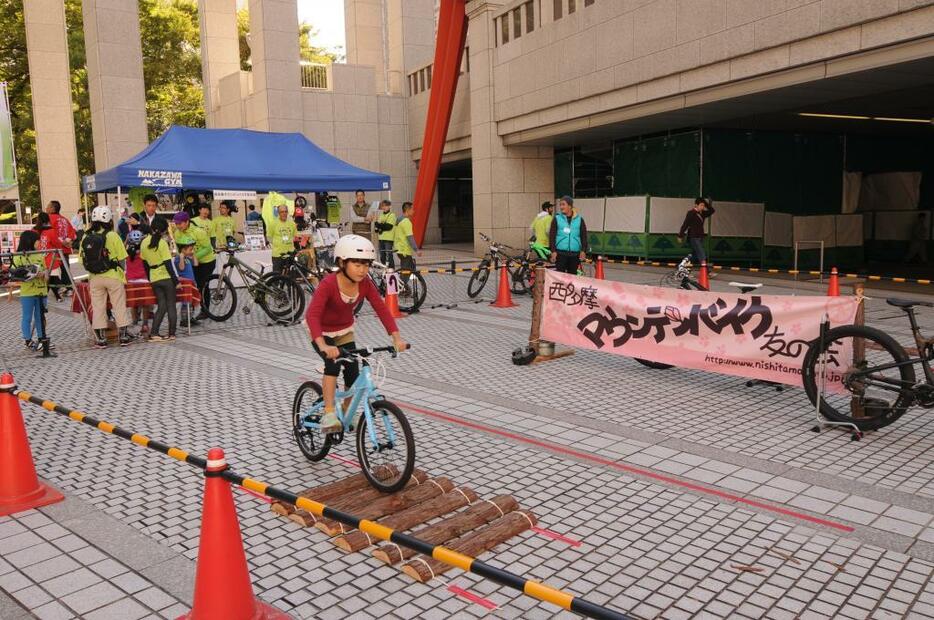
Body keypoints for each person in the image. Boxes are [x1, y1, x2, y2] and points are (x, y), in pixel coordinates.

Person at [304, 235, 407, 432]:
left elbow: (381, 308)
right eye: (357, 264)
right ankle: (328, 413)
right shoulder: (328, 284)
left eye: (366, 265)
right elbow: (312, 315)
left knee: (353, 370)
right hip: (321, 331)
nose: (362, 270)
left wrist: (396, 337)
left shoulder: (365, 283)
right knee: (332, 365)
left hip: (344, 330)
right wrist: (323, 345)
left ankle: (346, 408)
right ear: (342, 262)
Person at [80, 206, 131, 348]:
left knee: (98, 307)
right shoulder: (113, 235)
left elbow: (81, 259)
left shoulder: (86, 236)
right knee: (119, 305)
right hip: (113, 275)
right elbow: (122, 258)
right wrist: (122, 273)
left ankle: (101, 339)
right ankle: (124, 336)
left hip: (95, 277)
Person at [141, 218, 178, 342]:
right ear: (163, 231)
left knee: (161, 305)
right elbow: (168, 264)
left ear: (151, 227)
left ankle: (154, 333)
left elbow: (145, 264)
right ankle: (171, 334)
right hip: (166, 277)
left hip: (154, 278)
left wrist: (150, 278)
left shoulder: (143, 242)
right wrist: (176, 281)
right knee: (171, 305)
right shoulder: (162, 243)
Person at [173, 211, 215, 318]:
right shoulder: (177, 233)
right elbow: (180, 249)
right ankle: (189, 314)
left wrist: (194, 256)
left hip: (206, 261)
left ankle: (205, 310)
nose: (178, 226)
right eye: (176, 223)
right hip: (190, 261)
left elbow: (208, 248)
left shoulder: (198, 232)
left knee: (202, 285)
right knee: (191, 285)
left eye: (180, 223)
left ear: (187, 222)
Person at [12, 230, 49, 350]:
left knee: (40, 317)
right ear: (30, 241)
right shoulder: (18, 256)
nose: (39, 243)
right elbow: (14, 272)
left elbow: (46, 272)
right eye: (37, 241)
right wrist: (28, 273)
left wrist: (44, 274)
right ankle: (28, 340)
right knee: (27, 317)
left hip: (41, 291)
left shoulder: (39, 255)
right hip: (27, 292)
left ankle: (42, 339)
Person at [549, 196, 588, 274]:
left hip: (575, 254)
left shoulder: (580, 219)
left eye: (563, 204)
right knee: (560, 276)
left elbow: (584, 236)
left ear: (570, 206)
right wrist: (553, 251)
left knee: (572, 277)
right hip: (560, 253)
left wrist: (583, 250)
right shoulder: (557, 219)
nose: (561, 207)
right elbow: (552, 236)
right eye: (560, 205)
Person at [124, 229, 152, 336]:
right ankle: (145, 324)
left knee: (134, 304)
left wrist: (126, 240)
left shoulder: (127, 254)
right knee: (145, 303)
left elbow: (121, 249)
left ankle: (135, 322)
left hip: (131, 281)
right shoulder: (144, 252)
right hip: (144, 280)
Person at [35, 212, 66, 302]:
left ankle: (56, 296)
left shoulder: (37, 230)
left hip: (41, 258)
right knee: (52, 278)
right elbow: (57, 243)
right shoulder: (50, 231)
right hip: (50, 258)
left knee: (49, 278)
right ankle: (59, 290)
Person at [46, 200, 76, 293]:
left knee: (52, 270)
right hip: (65, 249)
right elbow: (73, 233)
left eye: (48, 206)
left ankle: (58, 288)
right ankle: (69, 288)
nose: (46, 208)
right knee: (65, 269)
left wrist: (61, 242)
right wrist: (67, 241)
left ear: (52, 208)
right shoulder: (64, 219)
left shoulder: (49, 219)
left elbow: (49, 234)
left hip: (54, 250)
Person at [678, 197, 715, 268]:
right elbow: (685, 225)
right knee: (702, 253)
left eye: (703, 206)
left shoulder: (702, 213)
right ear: (696, 205)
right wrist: (680, 235)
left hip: (700, 237)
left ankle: (683, 267)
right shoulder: (691, 213)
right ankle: (706, 272)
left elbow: (712, 210)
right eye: (701, 205)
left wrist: (705, 202)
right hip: (694, 237)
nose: (703, 207)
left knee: (695, 255)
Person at [173, 234, 199, 327]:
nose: (191, 251)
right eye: (190, 249)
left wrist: (193, 254)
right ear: (183, 250)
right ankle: (184, 320)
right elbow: (181, 268)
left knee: (191, 301)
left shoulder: (188, 258)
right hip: (185, 284)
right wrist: (181, 257)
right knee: (185, 302)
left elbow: (196, 264)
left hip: (191, 282)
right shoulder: (178, 259)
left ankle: (191, 318)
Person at [394, 202, 421, 279]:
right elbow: (410, 237)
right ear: (407, 210)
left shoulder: (398, 221)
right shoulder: (406, 222)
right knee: (406, 272)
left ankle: (404, 287)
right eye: (412, 209)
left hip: (399, 250)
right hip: (405, 250)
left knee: (409, 268)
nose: (413, 211)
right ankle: (402, 288)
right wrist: (416, 250)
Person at [269, 204, 298, 273]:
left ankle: (289, 284)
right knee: (277, 275)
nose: (284, 213)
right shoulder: (273, 224)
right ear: (278, 213)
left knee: (290, 276)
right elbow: (269, 237)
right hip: (278, 254)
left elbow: (294, 236)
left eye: (285, 211)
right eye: (282, 212)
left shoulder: (292, 224)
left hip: (290, 254)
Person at [373, 199, 396, 268]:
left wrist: (379, 225)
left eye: (386, 206)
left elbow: (388, 227)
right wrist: (378, 225)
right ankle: (386, 268)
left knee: (389, 255)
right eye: (383, 206)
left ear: (389, 206)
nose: (384, 207)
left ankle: (392, 269)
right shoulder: (381, 215)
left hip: (388, 239)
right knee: (382, 256)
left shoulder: (392, 215)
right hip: (381, 238)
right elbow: (377, 226)